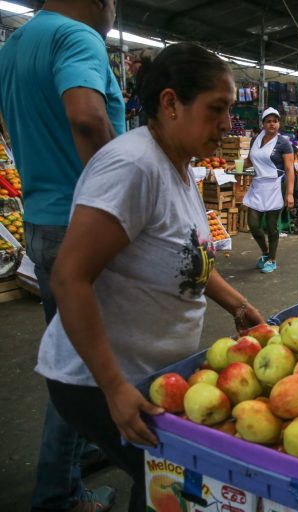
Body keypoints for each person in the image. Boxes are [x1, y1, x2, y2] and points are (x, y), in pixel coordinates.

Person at [33, 43, 265, 512]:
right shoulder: (132, 166)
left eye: (230, 110)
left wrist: (237, 305)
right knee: (166, 479)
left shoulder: (177, 165)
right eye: (216, 109)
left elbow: (190, 258)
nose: (227, 124)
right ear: (171, 103)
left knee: (163, 479)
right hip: (98, 380)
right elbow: (69, 279)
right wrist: (115, 389)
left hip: (151, 375)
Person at [0, 1, 124, 510]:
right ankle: (59, 494)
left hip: (40, 220)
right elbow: (87, 117)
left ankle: (87, 448)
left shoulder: (14, 46)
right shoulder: (77, 38)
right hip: (84, 226)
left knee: (71, 350)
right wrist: (123, 191)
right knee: (82, 364)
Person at [243, 107, 295, 273]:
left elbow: (289, 169)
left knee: (272, 226)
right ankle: (265, 252)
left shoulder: (283, 143)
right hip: (258, 185)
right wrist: (236, 166)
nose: (272, 124)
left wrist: (290, 194)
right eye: (268, 121)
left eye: (275, 121)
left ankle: (272, 259)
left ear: (279, 124)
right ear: (263, 124)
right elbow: (250, 160)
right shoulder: (255, 140)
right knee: (253, 224)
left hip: (275, 186)